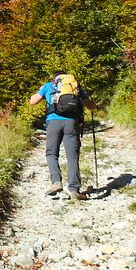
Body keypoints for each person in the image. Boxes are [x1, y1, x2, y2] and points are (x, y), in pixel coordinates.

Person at [28, 72, 99, 200]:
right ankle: (74, 190)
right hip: (72, 123)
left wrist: (38, 93)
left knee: (51, 153)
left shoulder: (49, 86)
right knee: (72, 155)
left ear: (55, 79)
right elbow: (89, 105)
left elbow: (33, 101)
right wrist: (94, 107)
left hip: (53, 123)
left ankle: (56, 182)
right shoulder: (74, 87)